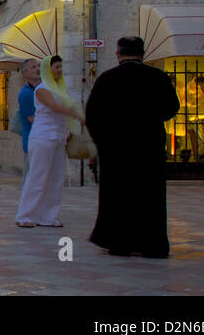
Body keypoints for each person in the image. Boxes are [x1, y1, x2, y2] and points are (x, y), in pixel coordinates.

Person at [84, 36, 181, 257]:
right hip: (149, 148)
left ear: (118, 54)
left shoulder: (107, 79)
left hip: (116, 150)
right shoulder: (158, 77)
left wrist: (102, 142)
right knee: (150, 197)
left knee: (118, 196)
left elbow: (93, 115)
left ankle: (120, 243)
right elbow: (171, 108)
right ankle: (152, 244)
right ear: (143, 54)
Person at [15, 55, 83, 228]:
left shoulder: (60, 89)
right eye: (56, 67)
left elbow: (61, 114)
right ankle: (25, 215)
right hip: (43, 137)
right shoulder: (41, 89)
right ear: (49, 70)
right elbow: (54, 107)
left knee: (56, 178)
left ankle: (47, 216)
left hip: (58, 137)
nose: (60, 71)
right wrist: (75, 112)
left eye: (61, 67)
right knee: (38, 176)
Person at [17, 59, 40, 181]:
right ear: (25, 74)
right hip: (33, 143)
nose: (37, 69)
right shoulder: (26, 94)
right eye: (33, 67)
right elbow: (33, 120)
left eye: (38, 66)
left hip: (42, 142)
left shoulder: (40, 90)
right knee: (31, 181)